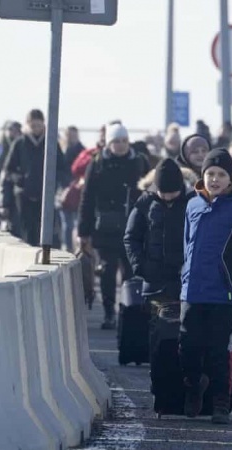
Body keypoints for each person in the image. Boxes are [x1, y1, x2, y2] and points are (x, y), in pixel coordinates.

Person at [179, 149, 232, 424]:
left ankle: (220, 403)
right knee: (187, 347)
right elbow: (187, 246)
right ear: (203, 176)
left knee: (218, 351)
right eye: (210, 174)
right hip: (192, 290)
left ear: (230, 178)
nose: (215, 179)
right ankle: (193, 387)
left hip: (224, 293)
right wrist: (184, 278)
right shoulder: (193, 205)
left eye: (221, 174)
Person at [77, 123, 148, 329]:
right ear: (109, 143)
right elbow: (87, 198)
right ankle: (109, 312)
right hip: (105, 228)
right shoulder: (97, 163)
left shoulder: (139, 161)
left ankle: (128, 311)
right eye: (116, 141)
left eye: (124, 141)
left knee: (131, 272)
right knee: (107, 271)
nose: (121, 145)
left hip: (134, 226)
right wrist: (84, 231)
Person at [124, 158, 192, 367]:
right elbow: (131, 237)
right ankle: (160, 376)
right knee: (160, 331)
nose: (168, 198)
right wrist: (141, 267)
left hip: (186, 281)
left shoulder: (193, 202)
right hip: (155, 282)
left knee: (185, 332)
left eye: (173, 193)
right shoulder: (145, 203)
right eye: (164, 193)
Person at [0, 109, 69, 245]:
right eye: (33, 126)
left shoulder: (51, 143)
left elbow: (62, 169)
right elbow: (8, 171)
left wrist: (56, 184)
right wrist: (19, 180)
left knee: (46, 233)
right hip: (24, 196)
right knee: (26, 232)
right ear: (27, 125)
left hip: (46, 197)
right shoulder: (20, 144)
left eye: (38, 125)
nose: (36, 129)